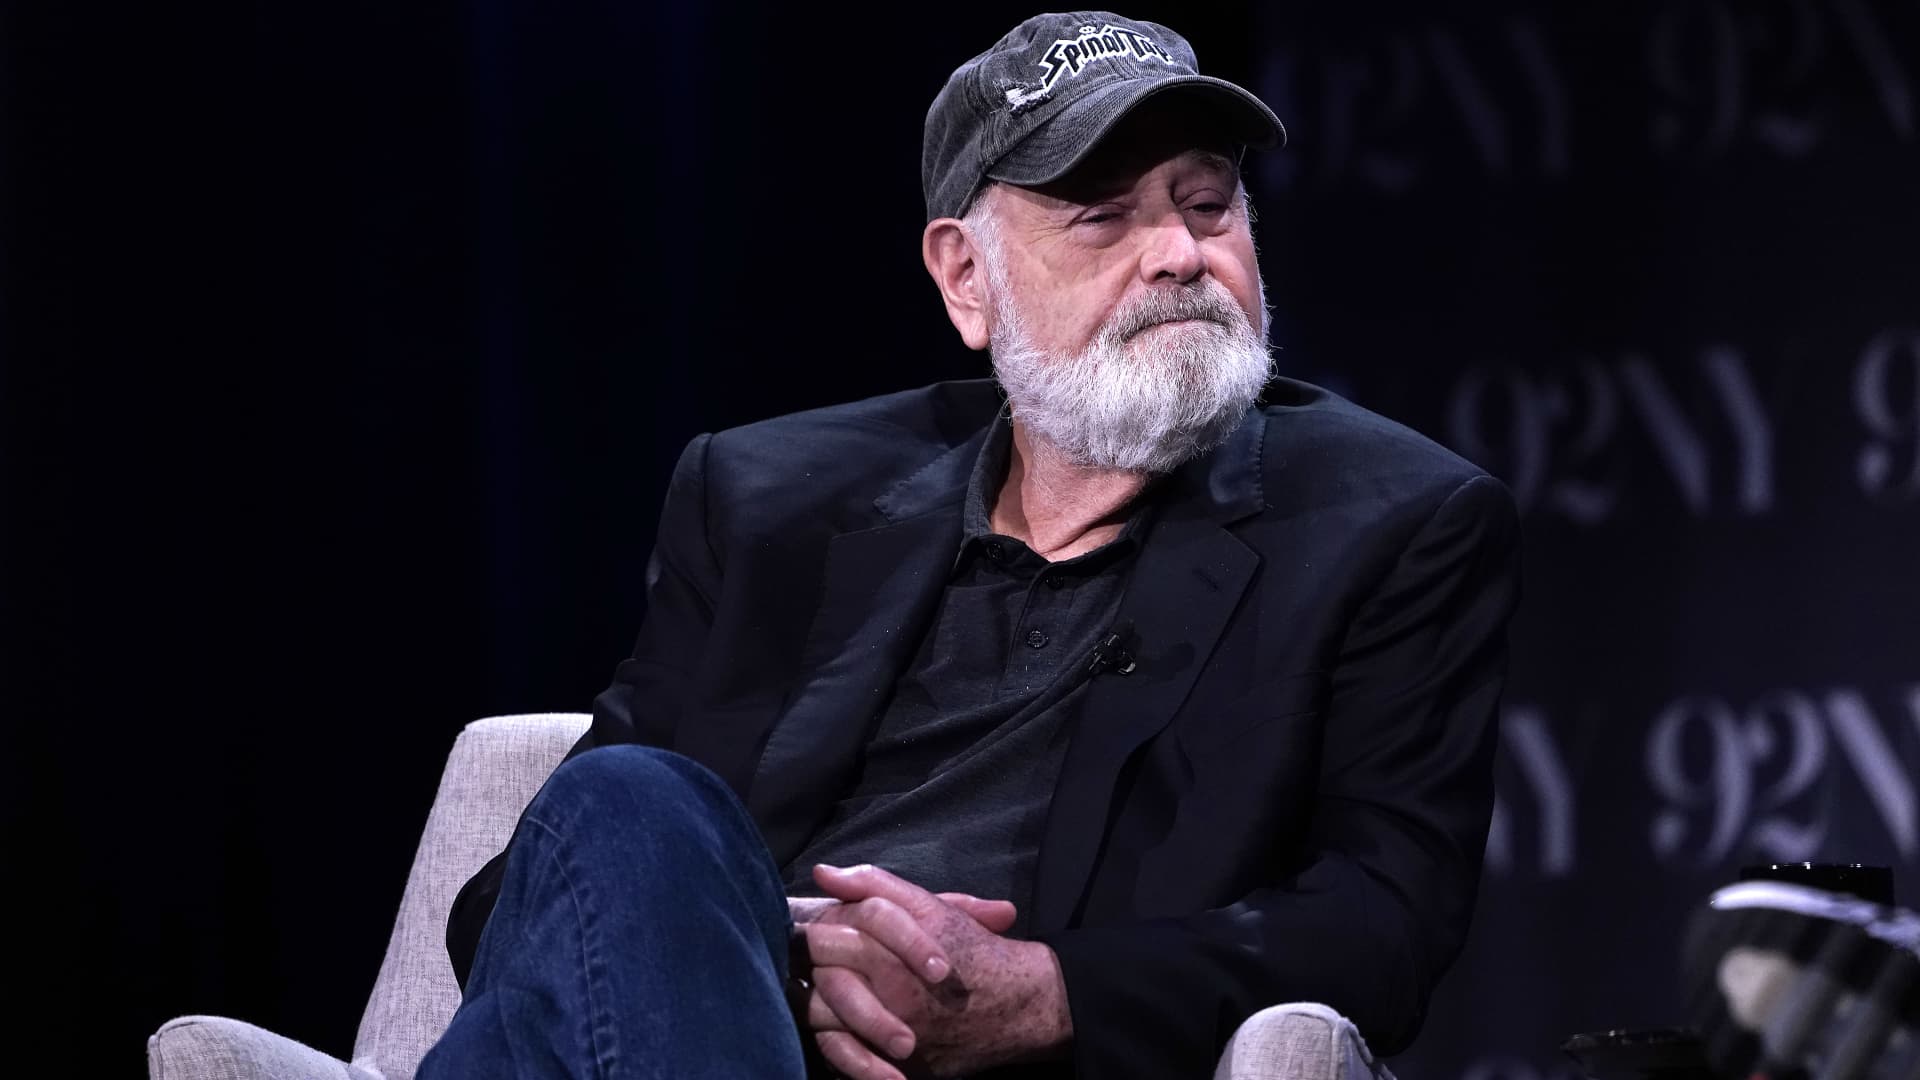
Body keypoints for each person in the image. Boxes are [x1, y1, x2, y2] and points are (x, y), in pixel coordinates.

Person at [421, 11, 1521, 1080]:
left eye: (1208, 204)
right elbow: (524, 899)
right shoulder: (769, 502)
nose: (1180, 255)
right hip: (710, 1034)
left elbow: (1383, 926)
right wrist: (772, 965)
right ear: (965, 278)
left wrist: (1038, 992)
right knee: (626, 803)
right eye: (1102, 216)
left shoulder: (1385, 522)